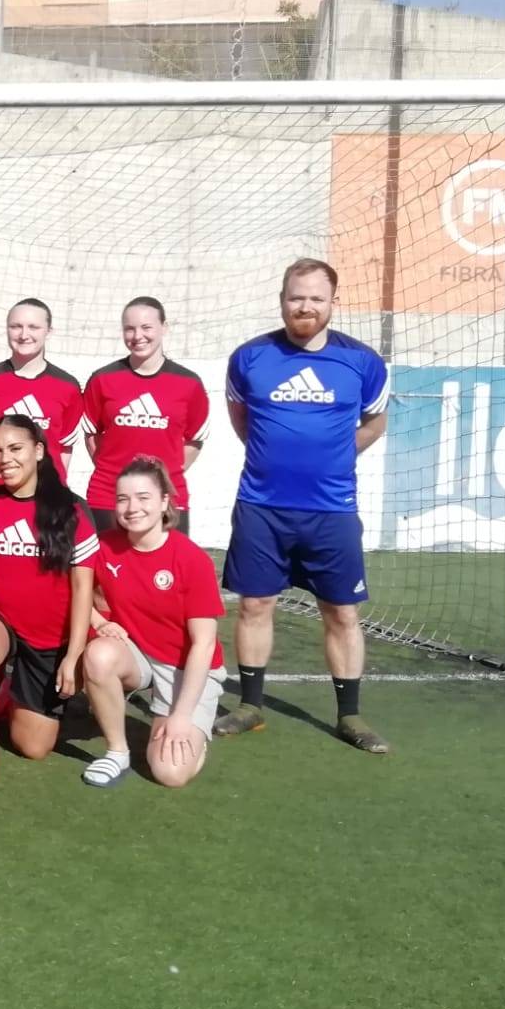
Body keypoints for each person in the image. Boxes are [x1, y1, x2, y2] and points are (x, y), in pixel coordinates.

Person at [216, 259, 391, 753]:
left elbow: (375, 423)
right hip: (261, 506)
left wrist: (333, 458)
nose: (305, 306)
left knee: (342, 612)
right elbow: (241, 419)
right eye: (297, 297)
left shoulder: (363, 362)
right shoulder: (250, 358)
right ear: (282, 300)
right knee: (255, 605)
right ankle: (250, 706)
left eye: (316, 298)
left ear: (333, 302)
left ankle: (350, 715)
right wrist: (275, 459)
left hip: (332, 510)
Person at [0, 415, 98, 779]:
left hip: (48, 636)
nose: (5, 459)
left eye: (15, 448)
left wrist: (73, 655)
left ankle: (3, 695)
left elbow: (83, 588)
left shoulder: (73, 509)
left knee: (33, 747)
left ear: (39, 451)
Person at [78, 458, 226, 790]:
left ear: (164, 502)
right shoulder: (104, 547)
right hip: (138, 654)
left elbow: (203, 645)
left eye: (143, 497)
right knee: (99, 655)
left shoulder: (192, 559)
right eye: (123, 499)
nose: (132, 508)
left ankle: (194, 730)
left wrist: (181, 716)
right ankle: (117, 752)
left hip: (186, 668)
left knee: (170, 773)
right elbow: (73, 591)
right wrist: (99, 622)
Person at [79, 297, 209, 535]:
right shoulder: (102, 379)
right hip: (108, 495)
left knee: (169, 560)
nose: (137, 336)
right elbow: (91, 434)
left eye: (146, 327)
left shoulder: (189, 383)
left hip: (167, 497)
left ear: (164, 328)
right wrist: (114, 471)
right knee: (103, 561)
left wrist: (163, 475)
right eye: (130, 328)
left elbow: (194, 439)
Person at [0, 297, 86, 495]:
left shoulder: (68, 387)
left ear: (49, 331)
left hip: (45, 498)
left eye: (33, 327)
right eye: (16, 326)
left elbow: (64, 448)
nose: (23, 335)